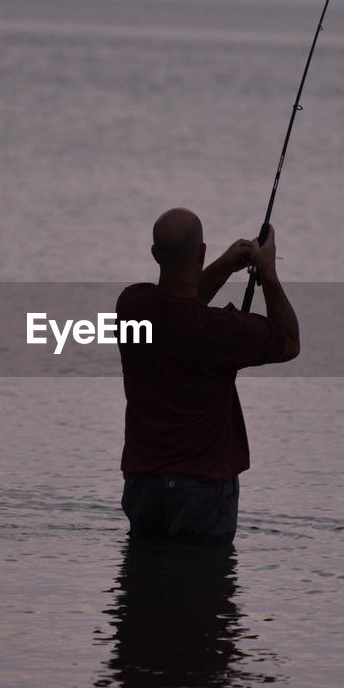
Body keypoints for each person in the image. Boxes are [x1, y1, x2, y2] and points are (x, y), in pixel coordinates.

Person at [116, 207, 300, 545]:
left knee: (143, 592)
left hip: (143, 486)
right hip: (202, 492)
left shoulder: (132, 306)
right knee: (204, 592)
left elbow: (180, 308)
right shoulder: (225, 332)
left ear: (155, 255)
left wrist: (224, 266)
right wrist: (269, 274)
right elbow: (289, 342)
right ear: (201, 252)